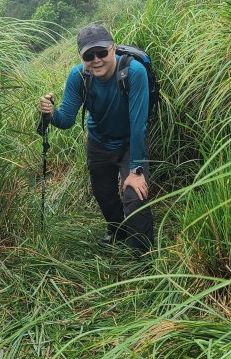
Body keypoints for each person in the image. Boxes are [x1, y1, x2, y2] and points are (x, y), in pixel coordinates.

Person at [38, 23, 154, 255]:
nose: (96, 60)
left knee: (134, 194)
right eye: (89, 55)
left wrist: (136, 170)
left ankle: (143, 254)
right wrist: (50, 114)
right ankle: (117, 231)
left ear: (113, 48)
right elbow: (66, 120)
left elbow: (138, 124)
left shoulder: (134, 72)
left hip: (130, 142)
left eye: (101, 52)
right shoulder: (79, 76)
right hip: (99, 142)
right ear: (81, 57)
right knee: (103, 193)